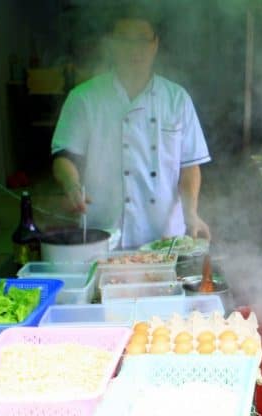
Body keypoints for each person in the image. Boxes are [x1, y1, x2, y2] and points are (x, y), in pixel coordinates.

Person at [51, 6, 211, 249]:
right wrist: (72, 185)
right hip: (102, 231)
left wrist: (192, 214)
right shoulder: (84, 98)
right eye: (124, 40)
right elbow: (64, 157)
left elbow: (189, 166)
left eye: (142, 39)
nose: (133, 48)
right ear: (111, 45)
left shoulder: (176, 98)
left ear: (154, 44)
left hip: (164, 238)